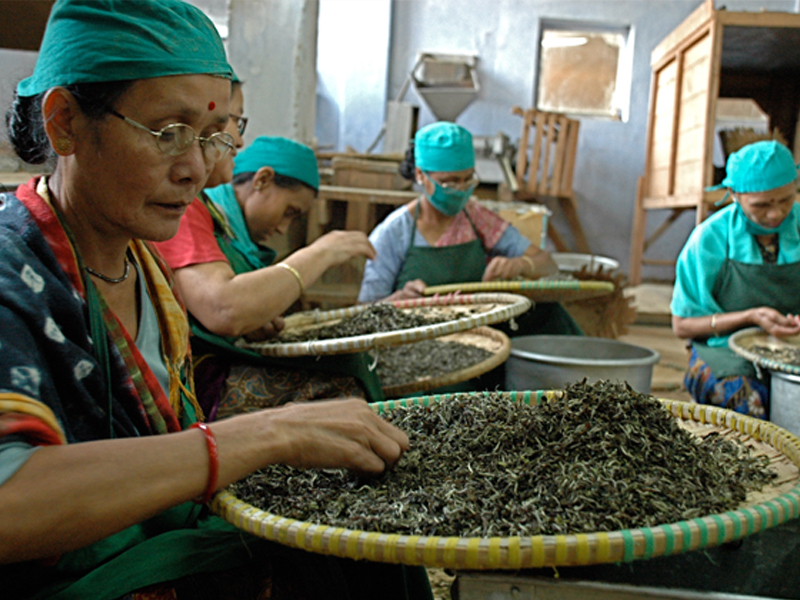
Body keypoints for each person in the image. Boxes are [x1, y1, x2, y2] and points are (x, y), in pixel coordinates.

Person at [0, 1, 431, 599]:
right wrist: (263, 435)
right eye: (169, 133)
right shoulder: (12, 271)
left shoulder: (142, 262)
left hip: (164, 537)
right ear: (65, 122)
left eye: (213, 137)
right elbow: (9, 504)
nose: (198, 169)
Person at [154, 136, 382, 418]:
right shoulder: (189, 209)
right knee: (341, 390)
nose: (284, 228)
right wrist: (322, 253)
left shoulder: (227, 227)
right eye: (289, 212)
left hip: (212, 361)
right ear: (262, 180)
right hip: (188, 377)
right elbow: (225, 308)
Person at [358, 121, 582, 338]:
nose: (461, 190)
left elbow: (548, 265)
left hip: (480, 334)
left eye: (468, 180)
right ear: (420, 175)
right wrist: (397, 301)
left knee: (549, 312)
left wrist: (521, 264)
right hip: (420, 339)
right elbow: (363, 311)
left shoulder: (477, 219)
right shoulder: (394, 232)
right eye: (450, 183)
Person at [671, 140, 800, 418]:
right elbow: (682, 326)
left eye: (786, 200)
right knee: (747, 402)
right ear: (734, 194)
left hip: (793, 345)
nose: (776, 214)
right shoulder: (708, 240)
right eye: (761, 205)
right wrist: (750, 317)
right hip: (724, 349)